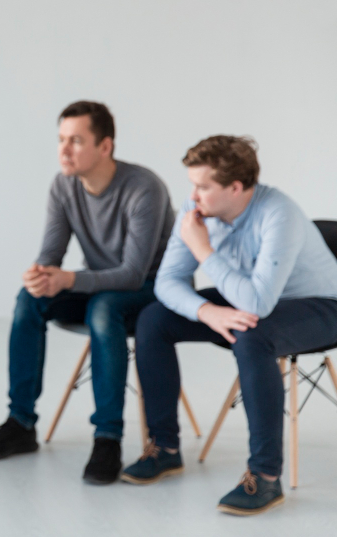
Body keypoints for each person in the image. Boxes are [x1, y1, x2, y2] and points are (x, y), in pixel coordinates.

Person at [123, 135, 337, 515]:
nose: (193, 195)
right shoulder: (197, 211)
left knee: (252, 335)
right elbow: (167, 282)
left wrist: (202, 249)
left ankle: (265, 477)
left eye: (203, 186)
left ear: (236, 188)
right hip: (247, 298)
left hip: (320, 307)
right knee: (154, 318)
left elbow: (258, 302)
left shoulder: (278, 213)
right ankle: (165, 448)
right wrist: (207, 312)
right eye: (192, 184)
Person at [0, 101, 174, 484]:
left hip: (150, 289)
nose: (64, 150)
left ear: (105, 147)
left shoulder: (143, 188)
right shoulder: (63, 185)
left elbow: (132, 274)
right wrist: (40, 275)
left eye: (76, 141)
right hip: (100, 282)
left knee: (102, 309)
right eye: (62, 140)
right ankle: (21, 423)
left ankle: (108, 437)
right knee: (28, 299)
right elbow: (51, 255)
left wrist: (67, 280)